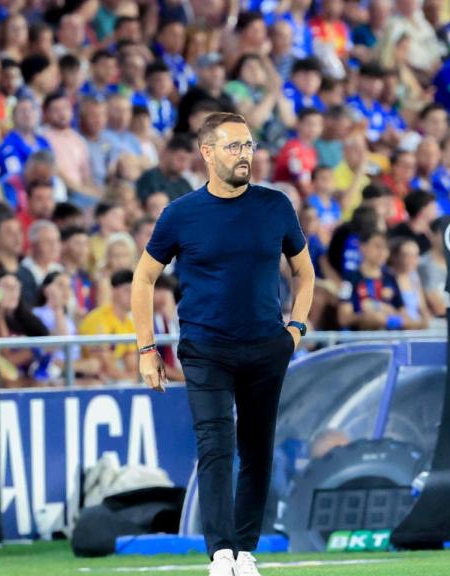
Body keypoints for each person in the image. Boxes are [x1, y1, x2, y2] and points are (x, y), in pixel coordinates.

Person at [131, 112, 314, 576]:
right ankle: (222, 554)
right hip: (205, 348)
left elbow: (305, 272)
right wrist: (147, 349)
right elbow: (143, 277)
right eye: (234, 147)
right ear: (207, 153)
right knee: (215, 444)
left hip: (265, 347)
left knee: (257, 448)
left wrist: (295, 331)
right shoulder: (181, 213)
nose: (244, 155)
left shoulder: (276, 206)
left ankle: (246, 551)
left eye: (249, 146)